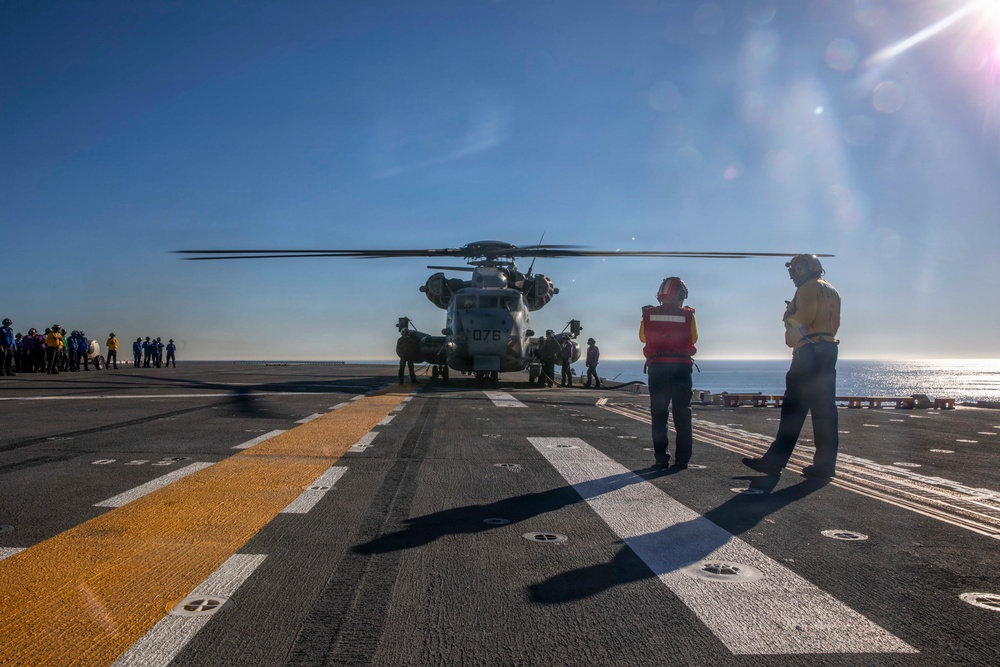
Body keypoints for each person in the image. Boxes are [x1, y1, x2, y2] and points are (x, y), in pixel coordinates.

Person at [743, 254, 841, 479]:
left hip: (808, 352)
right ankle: (825, 466)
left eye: (796, 271)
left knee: (793, 410)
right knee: (825, 412)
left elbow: (803, 318)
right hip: (829, 349)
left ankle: (773, 462)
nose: (794, 277)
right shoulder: (833, 291)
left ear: (805, 269)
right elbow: (836, 323)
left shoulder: (807, 288)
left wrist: (789, 315)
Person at [640, 277, 697, 469]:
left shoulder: (648, 314)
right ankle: (682, 460)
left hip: (657, 369)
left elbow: (642, 338)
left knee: (659, 414)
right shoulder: (688, 315)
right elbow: (694, 337)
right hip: (681, 368)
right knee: (683, 414)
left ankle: (661, 458)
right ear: (680, 295)